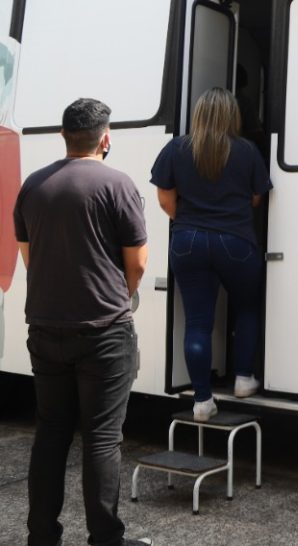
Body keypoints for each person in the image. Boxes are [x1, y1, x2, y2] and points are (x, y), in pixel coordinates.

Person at [13, 98, 150, 546]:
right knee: (102, 438)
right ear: (105, 138)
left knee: (51, 432)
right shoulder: (117, 185)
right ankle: (105, 539)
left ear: (63, 136)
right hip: (104, 331)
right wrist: (118, 295)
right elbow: (137, 264)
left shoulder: (33, 186)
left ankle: (41, 536)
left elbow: (30, 257)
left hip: (45, 327)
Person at [150, 87, 271, 421]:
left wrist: (192, 220)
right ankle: (243, 379)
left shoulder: (176, 148)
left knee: (198, 322)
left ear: (198, 114)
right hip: (236, 241)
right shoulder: (247, 150)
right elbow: (257, 198)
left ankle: (202, 401)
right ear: (233, 115)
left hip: (188, 240)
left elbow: (165, 199)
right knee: (246, 308)